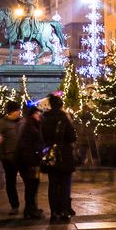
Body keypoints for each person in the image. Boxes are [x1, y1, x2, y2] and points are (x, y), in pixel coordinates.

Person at [43, 93, 78, 223]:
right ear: (61, 105)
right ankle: (64, 211)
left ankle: (53, 212)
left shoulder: (44, 118)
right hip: (65, 155)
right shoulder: (64, 118)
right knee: (64, 185)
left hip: (51, 155)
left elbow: (43, 136)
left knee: (52, 185)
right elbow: (72, 137)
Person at [16, 103, 45, 218]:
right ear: (33, 114)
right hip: (29, 162)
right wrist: (32, 162)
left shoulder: (30, 124)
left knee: (32, 186)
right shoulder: (29, 126)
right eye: (37, 113)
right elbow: (28, 146)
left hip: (29, 161)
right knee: (31, 186)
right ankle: (30, 210)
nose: (39, 115)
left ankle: (32, 208)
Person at [0, 104, 23, 214]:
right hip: (9, 158)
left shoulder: (22, 122)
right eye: (17, 110)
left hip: (23, 157)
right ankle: (14, 205)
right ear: (11, 112)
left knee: (30, 181)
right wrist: (2, 156)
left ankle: (31, 206)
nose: (19, 112)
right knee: (11, 182)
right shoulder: (1, 124)